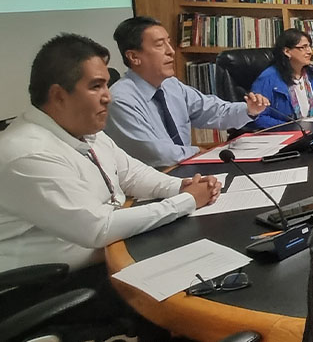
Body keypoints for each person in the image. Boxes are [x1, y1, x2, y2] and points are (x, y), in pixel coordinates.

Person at [0, 34, 221, 338]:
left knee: (202, 269)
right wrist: (186, 202)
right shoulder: (26, 153)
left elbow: (133, 175)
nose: (109, 96)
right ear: (58, 95)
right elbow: (97, 228)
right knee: (186, 292)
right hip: (39, 288)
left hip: (102, 261)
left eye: (106, 84)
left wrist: (182, 185)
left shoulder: (84, 131)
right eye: (96, 86)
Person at [106, 16, 271, 167]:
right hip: (153, 181)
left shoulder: (171, 85)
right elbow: (154, 153)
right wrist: (197, 152)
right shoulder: (121, 100)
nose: (170, 51)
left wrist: (248, 110)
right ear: (134, 57)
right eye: (159, 45)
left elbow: (213, 111)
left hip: (185, 170)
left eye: (168, 42)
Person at [251, 29, 313, 128]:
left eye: (309, 46)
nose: (310, 51)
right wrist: (291, 127)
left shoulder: (312, 74)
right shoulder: (268, 78)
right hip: (284, 135)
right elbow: (258, 116)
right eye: (303, 47)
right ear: (287, 51)